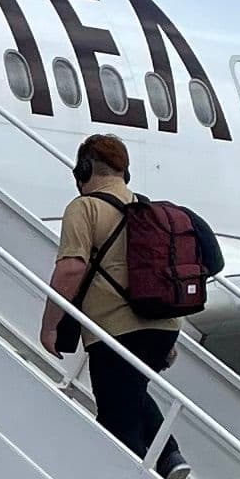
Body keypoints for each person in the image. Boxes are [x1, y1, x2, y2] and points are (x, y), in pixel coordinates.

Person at [39, 134, 180, 458]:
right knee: (130, 391)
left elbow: (71, 269)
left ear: (84, 170)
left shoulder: (84, 207)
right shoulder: (147, 209)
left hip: (115, 330)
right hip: (162, 328)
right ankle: (169, 457)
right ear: (124, 173)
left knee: (117, 423)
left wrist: (49, 326)